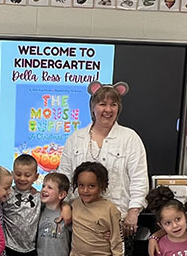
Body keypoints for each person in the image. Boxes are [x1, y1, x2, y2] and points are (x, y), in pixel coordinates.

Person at [58, 81, 148, 237]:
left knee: (116, 253)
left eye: (113, 104)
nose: (108, 110)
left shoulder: (130, 138)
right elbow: (64, 176)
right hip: (79, 220)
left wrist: (133, 212)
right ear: (93, 107)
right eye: (102, 104)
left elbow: (139, 178)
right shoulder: (76, 138)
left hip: (117, 220)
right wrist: (64, 205)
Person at [69, 161, 123, 256]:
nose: (85, 190)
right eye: (81, 185)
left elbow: (117, 242)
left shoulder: (110, 209)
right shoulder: (74, 204)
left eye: (91, 186)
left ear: (101, 186)